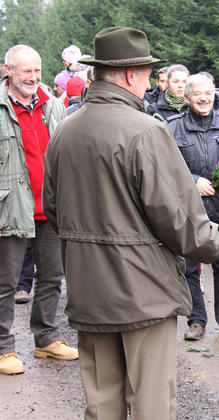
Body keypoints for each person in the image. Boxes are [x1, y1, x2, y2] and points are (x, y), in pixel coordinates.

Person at [42, 27, 219, 419]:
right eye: (146, 72)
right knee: (151, 404)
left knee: (102, 404)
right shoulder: (146, 131)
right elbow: (179, 220)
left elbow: (54, 209)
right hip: (142, 294)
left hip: (89, 290)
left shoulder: (65, 130)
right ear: (131, 75)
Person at [0, 44, 77, 376]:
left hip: (50, 206)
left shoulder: (54, 105)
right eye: (26, 71)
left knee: (51, 277)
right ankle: (3, 347)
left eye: (37, 71)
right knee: (5, 282)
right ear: (8, 71)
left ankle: (45, 338)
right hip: (10, 206)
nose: (33, 77)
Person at [167, 73, 219, 341]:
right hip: (189, 208)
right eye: (198, 93)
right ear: (187, 97)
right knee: (190, 266)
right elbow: (166, 168)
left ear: (214, 95)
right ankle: (196, 321)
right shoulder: (172, 127)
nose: (204, 98)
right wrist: (193, 181)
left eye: (208, 93)